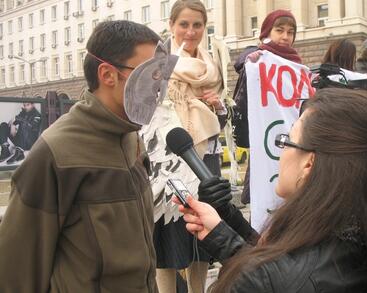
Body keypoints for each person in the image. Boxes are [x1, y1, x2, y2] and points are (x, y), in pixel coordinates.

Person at [178, 88, 367, 293]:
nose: (281, 154)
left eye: (286, 140)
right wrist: (226, 226)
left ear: (310, 163)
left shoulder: (267, 279)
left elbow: (273, 278)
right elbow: (282, 267)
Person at [0, 20, 161, 292]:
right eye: (148, 74)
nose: (158, 86)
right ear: (108, 75)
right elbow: (18, 268)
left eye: (161, 75)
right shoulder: (56, 151)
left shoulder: (133, 137)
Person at [143, 1, 225, 292]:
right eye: (184, 24)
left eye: (197, 25)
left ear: (204, 27)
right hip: (169, 164)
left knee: (202, 236)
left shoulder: (212, 66)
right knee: (167, 244)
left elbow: (219, 129)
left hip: (206, 162)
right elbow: (148, 117)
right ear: (171, 25)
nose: (191, 32)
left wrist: (217, 107)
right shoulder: (159, 65)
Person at [232, 9, 302, 204]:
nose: (285, 37)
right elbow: (241, 102)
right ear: (266, 33)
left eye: (290, 32)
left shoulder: (298, 65)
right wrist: (251, 57)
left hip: (294, 145)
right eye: (279, 30)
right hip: (266, 145)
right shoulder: (257, 60)